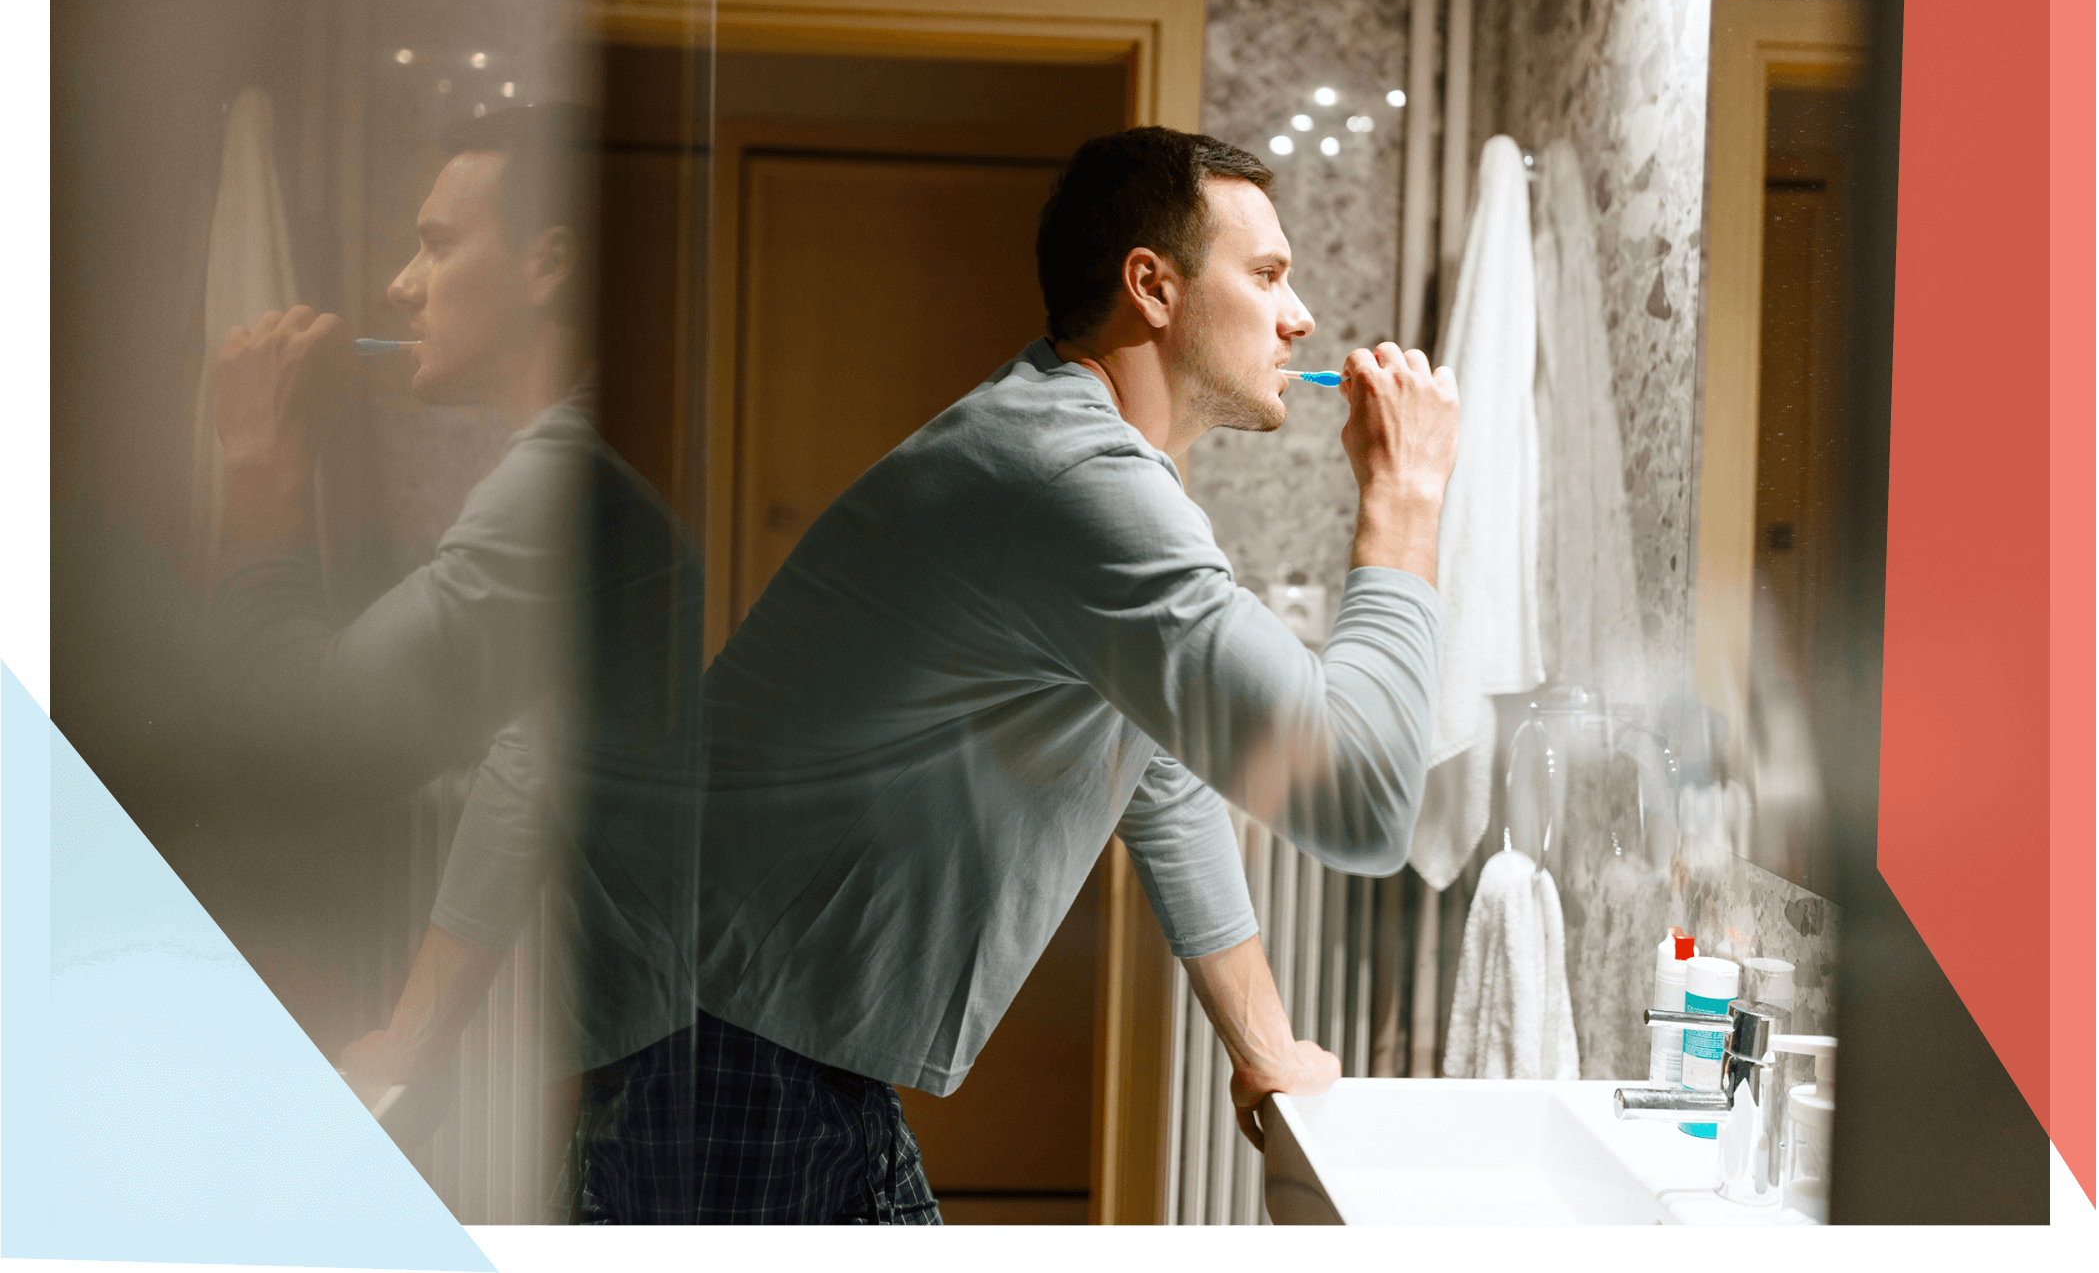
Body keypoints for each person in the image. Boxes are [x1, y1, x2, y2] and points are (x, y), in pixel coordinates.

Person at [574, 126, 1461, 1224]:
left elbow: (1156, 770)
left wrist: (1265, 1047)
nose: (1301, 316)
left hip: (740, 1030)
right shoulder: (1070, 475)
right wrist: (1405, 495)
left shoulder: (1076, 450)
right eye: (1269, 275)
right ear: (1152, 286)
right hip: (728, 1045)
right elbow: (1362, 800)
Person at [207, 104, 706, 1212]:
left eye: (436, 243)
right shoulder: (590, 462)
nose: (399, 284)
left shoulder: (560, 483)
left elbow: (295, 747)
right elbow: (535, 755)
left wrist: (257, 469)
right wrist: (413, 1036)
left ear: (547, 264)